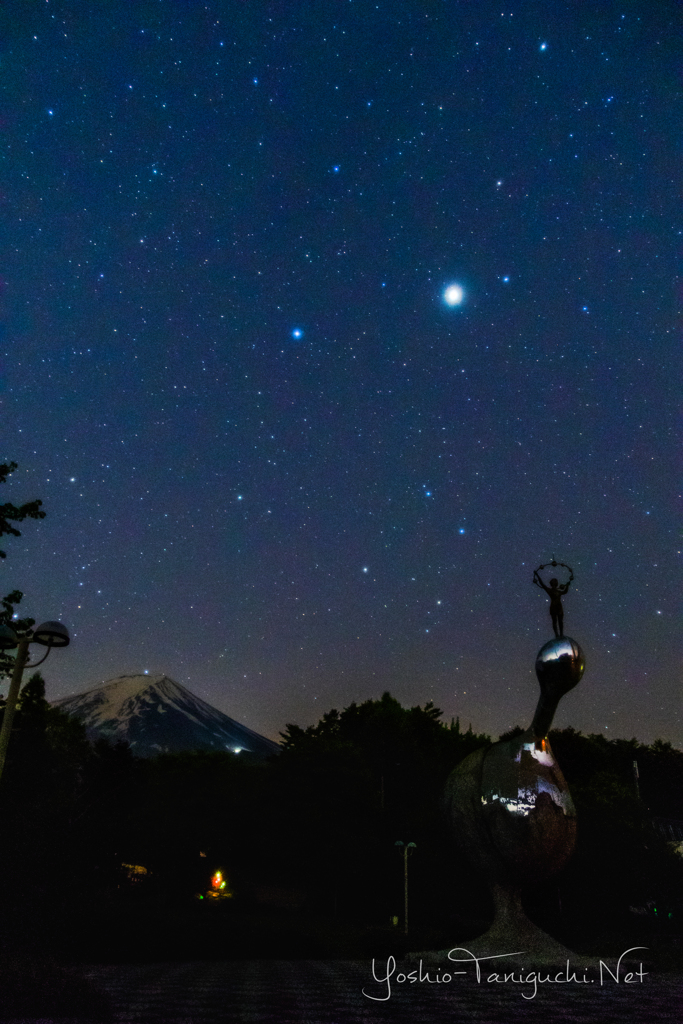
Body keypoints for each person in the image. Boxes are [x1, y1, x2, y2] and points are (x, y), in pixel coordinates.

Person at [533, 568, 573, 638]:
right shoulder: (550, 590)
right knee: (555, 621)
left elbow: (565, 591)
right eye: (554, 582)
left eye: (555, 582)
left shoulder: (558, 591)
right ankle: (557, 634)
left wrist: (567, 585)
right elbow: (542, 584)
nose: (555, 583)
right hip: (554, 607)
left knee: (560, 621)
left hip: (558, 607)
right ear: (553, 584)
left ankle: (561, 634)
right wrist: (537, 575)